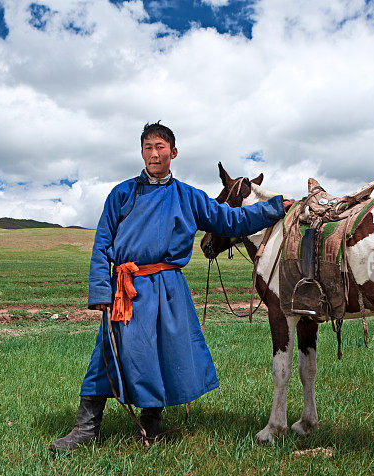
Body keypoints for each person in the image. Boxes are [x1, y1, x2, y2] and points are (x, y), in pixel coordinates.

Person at [50, 122, 294, 451]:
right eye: (148, 147)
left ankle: (150, 424)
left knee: (159, 355)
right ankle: (86, 427)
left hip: (166, 288)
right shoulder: (122, 194)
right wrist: (100, 293)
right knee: (108, 353)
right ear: (141, 153)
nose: (154, 153)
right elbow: (102, 244)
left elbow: (230, 221)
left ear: (173, 153)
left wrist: (273, 207)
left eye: (160, 147)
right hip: (127, 289)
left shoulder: (189, 197)